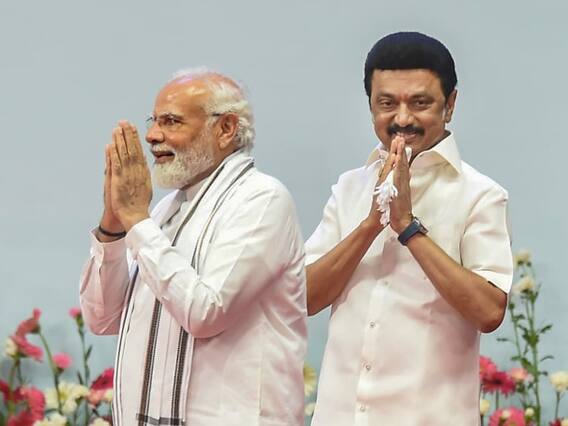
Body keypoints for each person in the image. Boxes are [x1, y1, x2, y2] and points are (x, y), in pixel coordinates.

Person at [306, 32, 513, 425]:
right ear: (370, 106)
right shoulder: (349, 187)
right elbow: (302, 299)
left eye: (420, 103)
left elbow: (489, 311)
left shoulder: (480, 195)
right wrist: (371, 224)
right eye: (387, 103)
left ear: (450, 105)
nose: (402, 119)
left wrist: (407, 227)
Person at [79, 68, 307, 426]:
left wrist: (136, 221)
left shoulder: (262, 199)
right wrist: (114, 226)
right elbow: (103, 318)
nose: (153, 136)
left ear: (226, 128)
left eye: (171, 121)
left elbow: (206, 312)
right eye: (154, 121)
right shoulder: (164, 211)